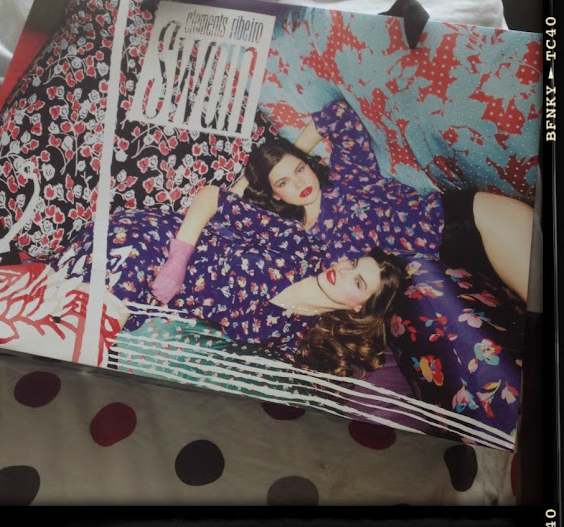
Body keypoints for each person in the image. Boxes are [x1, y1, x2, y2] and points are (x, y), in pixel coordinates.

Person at [155, 99, 534, 302]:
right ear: (275, 194)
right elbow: (217, 205)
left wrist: (288, 153)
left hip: (467, 222)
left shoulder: (348, 178)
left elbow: (338, 115)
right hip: (448, 271)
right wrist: (251, 183)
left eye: (300, 169)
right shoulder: (302, 239)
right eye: (284, 182)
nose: (300, 182)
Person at [51, 190, 404, 378]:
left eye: (358, 281)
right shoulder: (300, 247)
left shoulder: (295, 335)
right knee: (88, 331)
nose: (343, 270)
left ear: (359, 307)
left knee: (87, 340)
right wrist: (178, 259)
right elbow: (212, 197)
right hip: (158, 241)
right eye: (352, 263)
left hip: (151, 300)